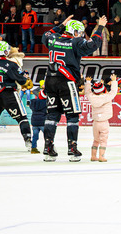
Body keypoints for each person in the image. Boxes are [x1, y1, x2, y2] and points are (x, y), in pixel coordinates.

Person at [42, 16, 105, 161]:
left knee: (52, 115)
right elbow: (93, 45)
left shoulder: (53, 38)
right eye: (80, 32)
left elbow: (46, 35)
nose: (81, 35)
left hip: (50, 80)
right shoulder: (75, 42)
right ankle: (72, 148)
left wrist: (61, 25)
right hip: (67, 81)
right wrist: (100, 27)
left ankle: (48, 148)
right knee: (72, 116)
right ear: (74, 31)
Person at [85, 74, 118, 162]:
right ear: (103, 90)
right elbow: (114, 91)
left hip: (95, 122)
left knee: (96, 140)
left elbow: (87, 92)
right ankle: (101, 156)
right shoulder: (107, 97)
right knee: (103, 140)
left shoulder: (92, 97)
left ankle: (93, 156)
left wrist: (88, 82)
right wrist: (114, 81)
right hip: (104, 122)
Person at [28, 85, 47, 154]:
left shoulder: (33, 102)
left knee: (35, 136)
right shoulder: (45, 102)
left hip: (34, 122)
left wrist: (40, 87)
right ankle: (47, 148)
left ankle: (33, 148)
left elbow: (34, 91)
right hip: (42, 121)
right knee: (47, 136)